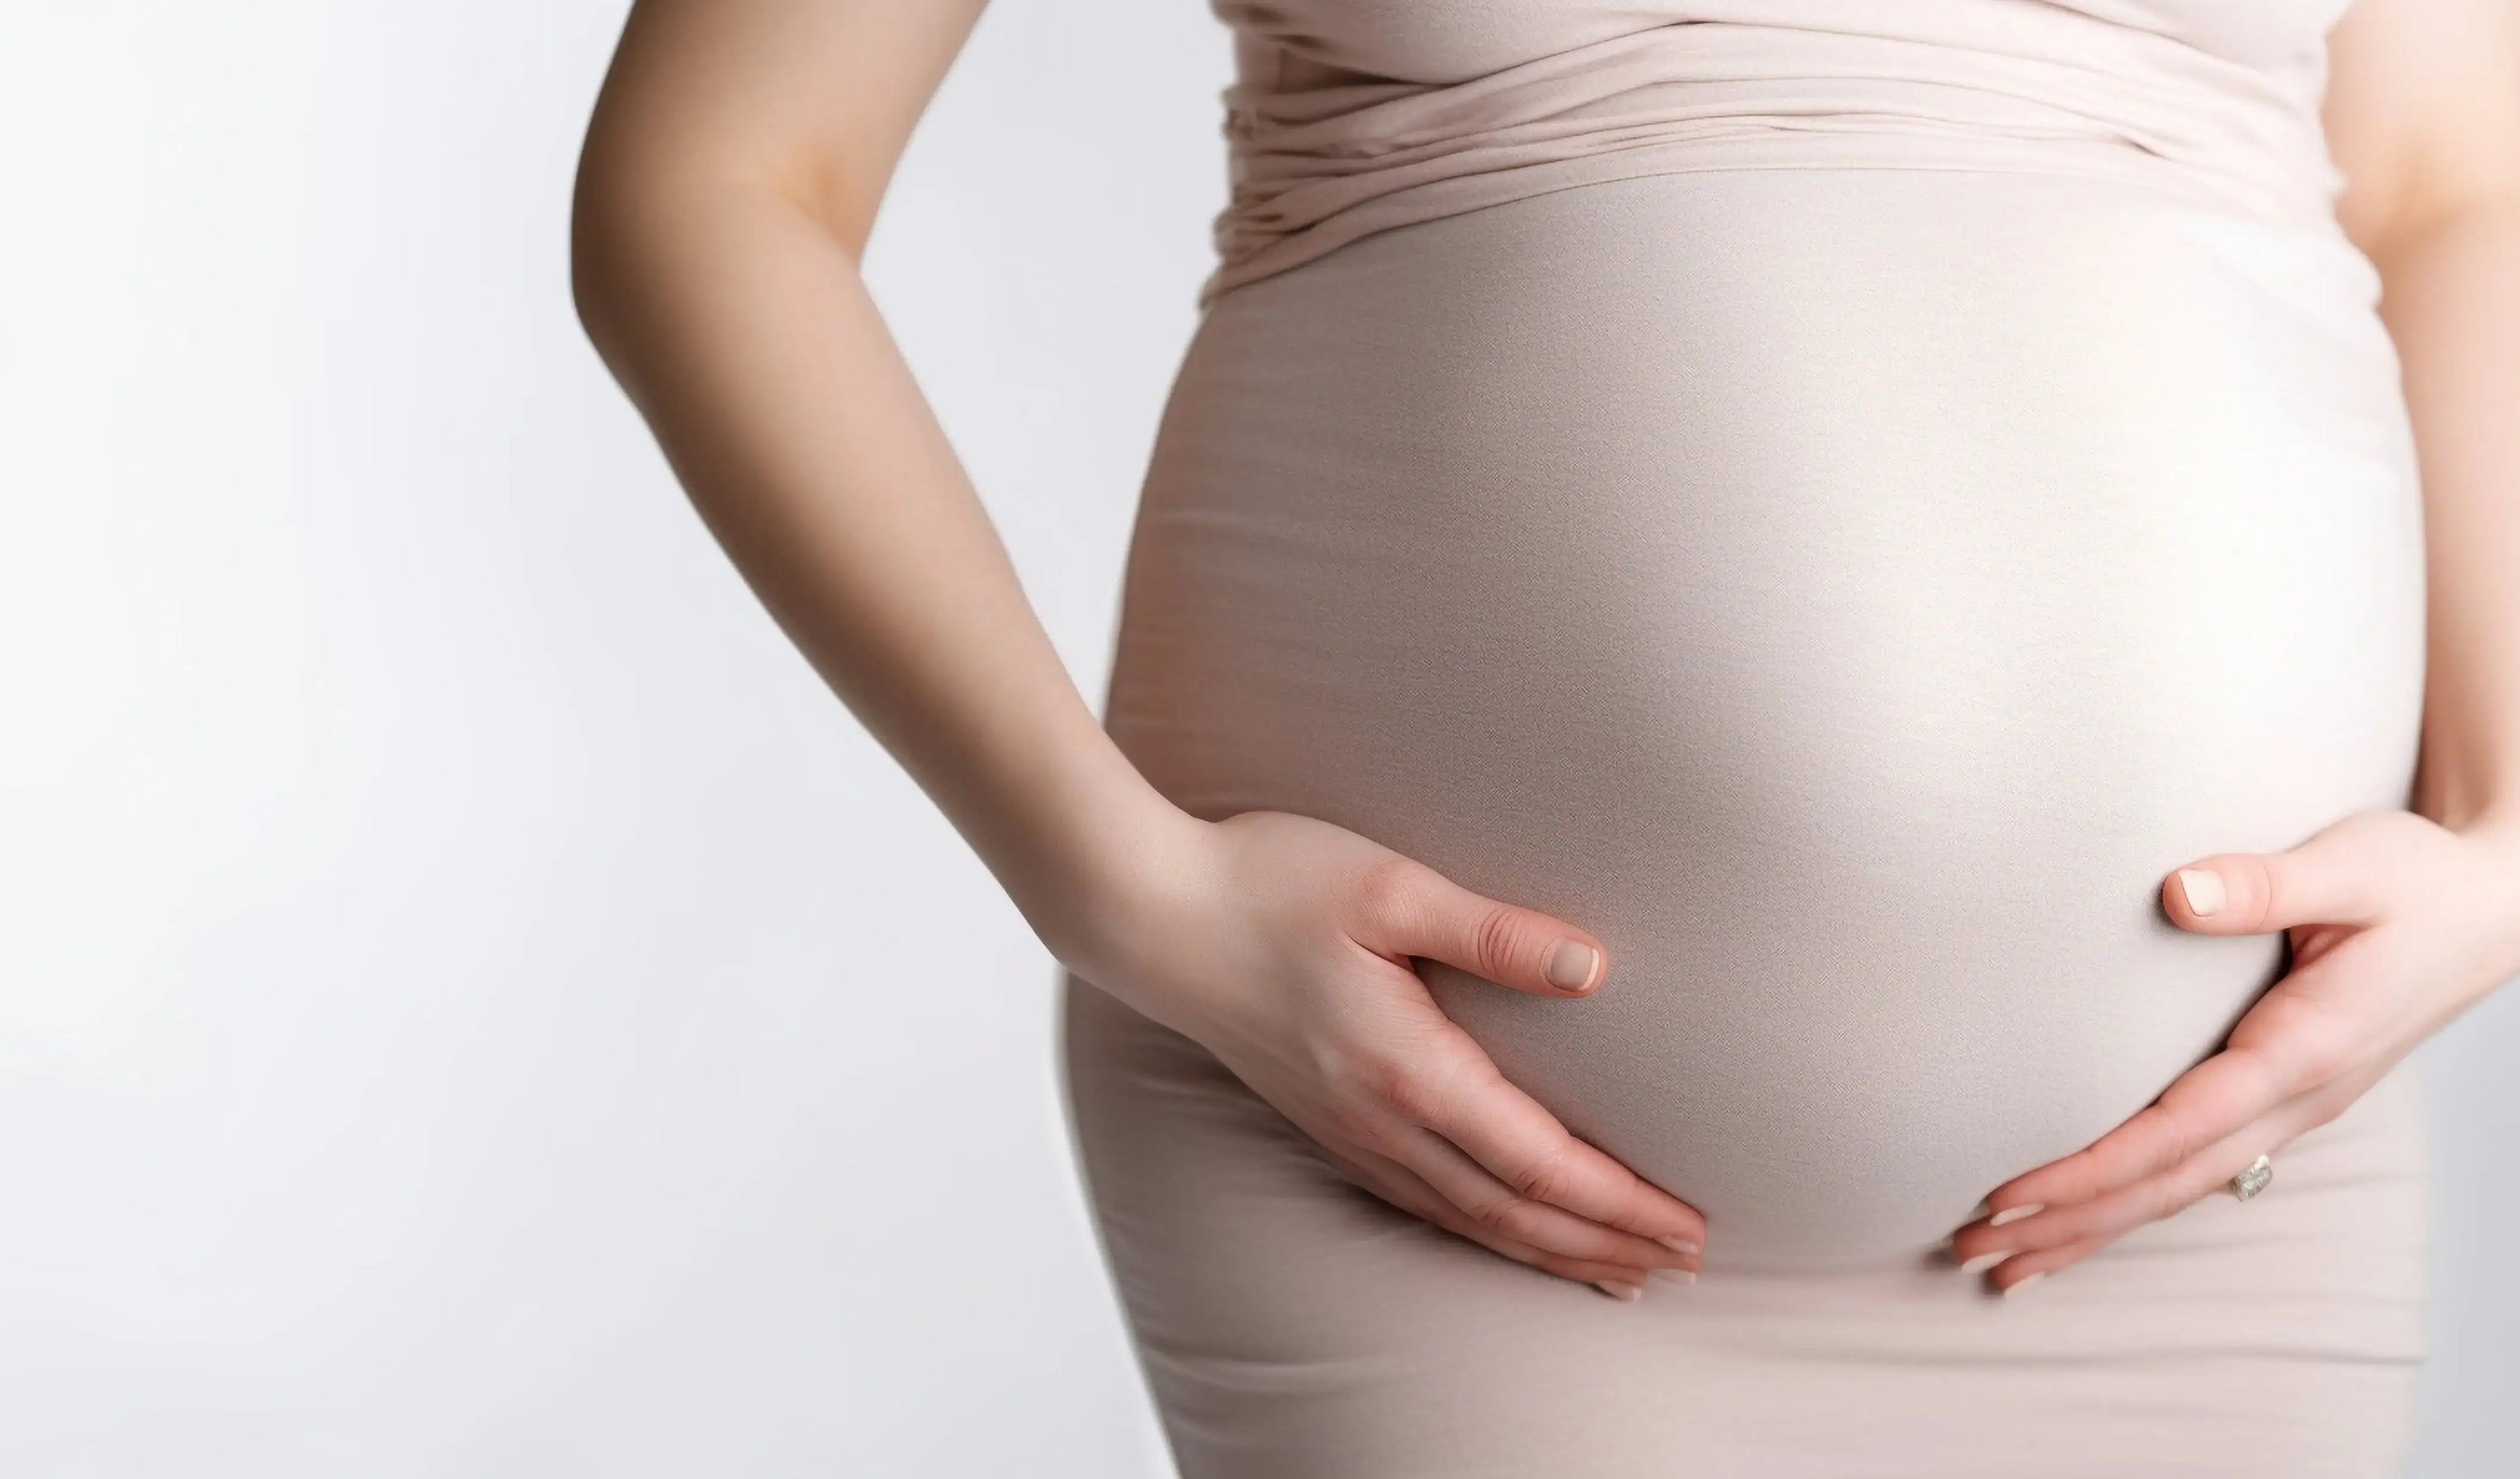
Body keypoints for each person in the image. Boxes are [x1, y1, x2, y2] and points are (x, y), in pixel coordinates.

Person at [568, 1, 2520, 1472]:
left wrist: (2511, 830)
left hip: (2212, 1191)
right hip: (1423, 1175)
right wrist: (1115, 883)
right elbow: (718, 182)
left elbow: (2449, 179)